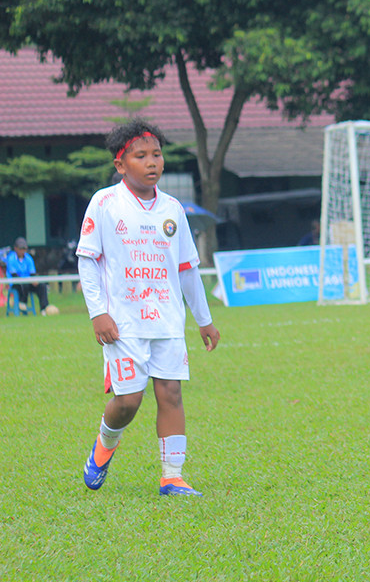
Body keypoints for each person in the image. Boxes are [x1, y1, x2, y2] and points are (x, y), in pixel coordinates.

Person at [77, 119, 220, 496]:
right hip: (122, 323)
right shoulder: (105, 203)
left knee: (170, 392)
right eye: (141, 156)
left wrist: (204, 320)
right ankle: (104, 447)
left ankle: (172, 476)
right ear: (121, 165)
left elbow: (187, 269)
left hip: (168, 321)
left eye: (157, 154)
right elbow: (87, 260)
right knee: (128, 401)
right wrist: (98, 313)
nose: (152, 162)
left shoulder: (173, 209)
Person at [5, 236, 54, 315]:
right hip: (16, 284)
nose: (22, 251)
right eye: (20, 249)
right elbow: (14, 275)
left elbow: (32, 273)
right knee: (24, 284)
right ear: (15, 248)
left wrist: (34, 280)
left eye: (24, 249)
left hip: (28, 282)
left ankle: (44, 308)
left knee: (42, 286)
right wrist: (28, 280)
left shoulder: (28, 258)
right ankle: (22, 302)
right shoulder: (11, 258)